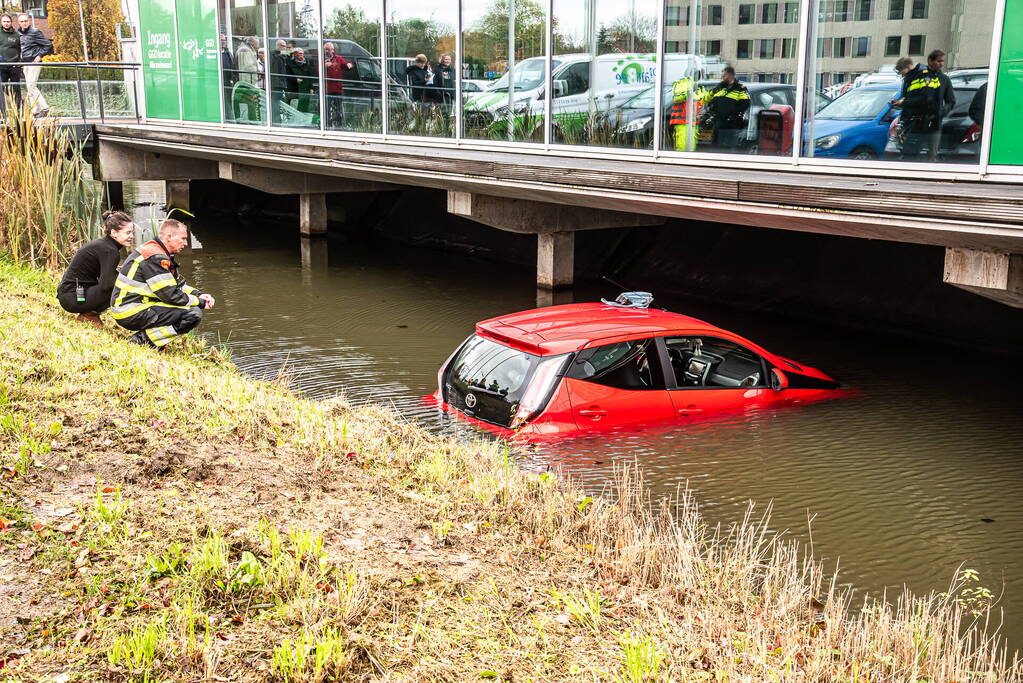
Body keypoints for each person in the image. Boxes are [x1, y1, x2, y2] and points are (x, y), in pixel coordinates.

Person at [110, 219, 214, 349]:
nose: (186, 243)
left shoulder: (157, 251)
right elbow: (171, 295)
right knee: (193, 315)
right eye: (183, 238)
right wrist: (200, 302)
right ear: (169, 237)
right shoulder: (155, 257)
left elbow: (176, 285)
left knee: (189, 310)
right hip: (129, 311)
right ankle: (141, 341)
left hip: (131, 306)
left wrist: (199, 294)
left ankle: (150, 339)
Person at [56, 211, 135, 328]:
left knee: (119, 282)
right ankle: (89, 315)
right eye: (128, 233)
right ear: (114, 233)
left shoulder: (104, 245)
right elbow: (106, 284)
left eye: (132, 232)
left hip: (69, 295)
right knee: (119, 287)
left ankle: (89, 314)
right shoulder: (110, 251)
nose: (132, 236)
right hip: (73, 297)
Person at [892, 52, 953, 161]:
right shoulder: (910, 77)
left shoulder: (929, 76)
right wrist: (901, 102)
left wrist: (940, 114)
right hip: (914, 123)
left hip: (931, 122)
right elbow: (910, 97)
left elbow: (927, 99)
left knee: (930, 155)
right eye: (938, 61)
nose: (940, 64)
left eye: (941, 61)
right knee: (909, 155)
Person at [702, 67, 749, 152]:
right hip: (718, 124)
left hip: (731, 125)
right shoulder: (720, 88)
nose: (723, 78)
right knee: (716, 149)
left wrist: (732, 114)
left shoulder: (740, 88)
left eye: (724, 76)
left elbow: (745, 103)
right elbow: (707, 99)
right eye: (723, 76)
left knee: (729, 150)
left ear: (731, 76)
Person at [17, 13, 50, 118]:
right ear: (19, 22)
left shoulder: (35, 32)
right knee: (29, 87)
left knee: (31, 86)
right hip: (25, 63)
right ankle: (35, 111)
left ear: (29, 21)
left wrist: (40, 55)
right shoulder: (18, 33)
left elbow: (48, 44)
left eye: (26, 21)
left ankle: (45, 108)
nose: (24, 23)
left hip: (34, 62)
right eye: (22, 21)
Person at [669, 76, 706, 152]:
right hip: (682, 123)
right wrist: (690, 89)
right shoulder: (681, 83)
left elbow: (702, 101)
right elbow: (677, 98)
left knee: (691, 149)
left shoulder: (700, 87)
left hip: (693, 123)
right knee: (681, 148)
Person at [323, 41, 353, 128]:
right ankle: (327, 126)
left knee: (339, 110)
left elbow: (346, 65)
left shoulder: (338, 58)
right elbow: (316, 71)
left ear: (333, 50)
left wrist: (349, 65)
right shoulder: (321, 59)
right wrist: (324, 66)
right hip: (326, 89)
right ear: (324, 50)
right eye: (327, 49)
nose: (329, 51)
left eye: (331, 49)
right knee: (327, 110)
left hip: (337, 89)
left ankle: (339, 126)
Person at [0, 14, 23, 114]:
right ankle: (2, 112)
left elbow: (22, 49)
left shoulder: (17, 35)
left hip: (14, 66)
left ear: (11, 22)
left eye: (8, 22)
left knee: (16, 88)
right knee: (2, 89)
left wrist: (19, 63)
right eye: (4, 21)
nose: (6, 23)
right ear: (1, 22)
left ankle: (19, 111)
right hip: (1, 66)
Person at [234, 36, 260, 122]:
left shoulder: (246, 50)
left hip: (247, 81)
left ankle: (252, 120)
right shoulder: (245, 50)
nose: (257, 47)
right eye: (256, 45)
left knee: (250, 102)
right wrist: (258, 70)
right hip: (246, 82)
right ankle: (252, 121)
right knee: (250, 102)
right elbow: (248, 66)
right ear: (252, 44)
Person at [285, 47, 317, 115]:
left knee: (304, 106)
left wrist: (311, 88)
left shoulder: (308, 63)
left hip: (305, 88)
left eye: (302, 54)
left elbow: (311, 76)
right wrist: (295, 79)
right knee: (294, 107)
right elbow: (287, 75)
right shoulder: (290, 63)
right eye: (299, 54)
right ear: (295, 54)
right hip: (294, 88)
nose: (301, 55)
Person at [270, 40, 289, 122]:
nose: (285, 48)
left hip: (281, 84)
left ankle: (278, 121)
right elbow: (275, 70)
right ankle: (276, 121)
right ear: (279, 46)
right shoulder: (275, 56)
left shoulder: (282, 56)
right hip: (276, 84)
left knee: (279, 104)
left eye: (285, 46)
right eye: (283, 46)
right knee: (275, 104)